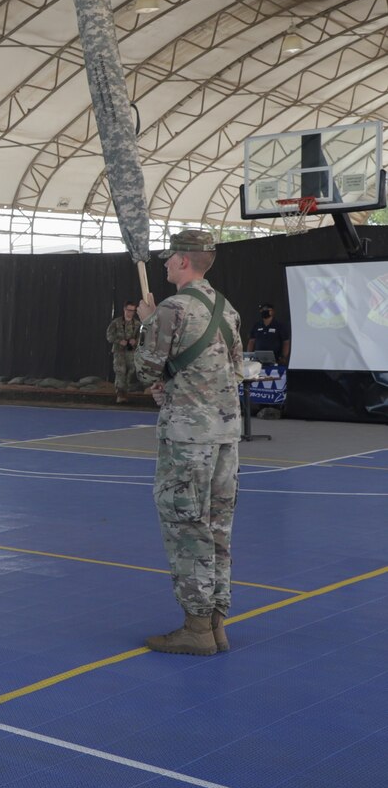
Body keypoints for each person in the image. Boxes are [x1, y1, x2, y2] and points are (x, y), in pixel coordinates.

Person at [135, 229, 242, 656]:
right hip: (225, 435)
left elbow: (145, 370)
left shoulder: (171, 308)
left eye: (169, 259)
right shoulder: (227, 309)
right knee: (218, 527)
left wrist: (146, 322)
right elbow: (235, 370)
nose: (164, 265)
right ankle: (216, 622)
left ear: (183, 261)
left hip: (187, 438)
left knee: (185, 526)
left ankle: (195, 627)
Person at [107, 302, 141, 403]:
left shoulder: (138, 324)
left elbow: (142, 338)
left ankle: (126, 392)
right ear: (124, 309)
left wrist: (135, 342)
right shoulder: (116, 322)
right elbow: (109, 336)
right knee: (120, 371)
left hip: (132, 352)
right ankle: (120, 393)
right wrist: (118, 341)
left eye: (132, 311)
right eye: (128, 310)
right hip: (119, 351)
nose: (130, 313)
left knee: (131, 371)